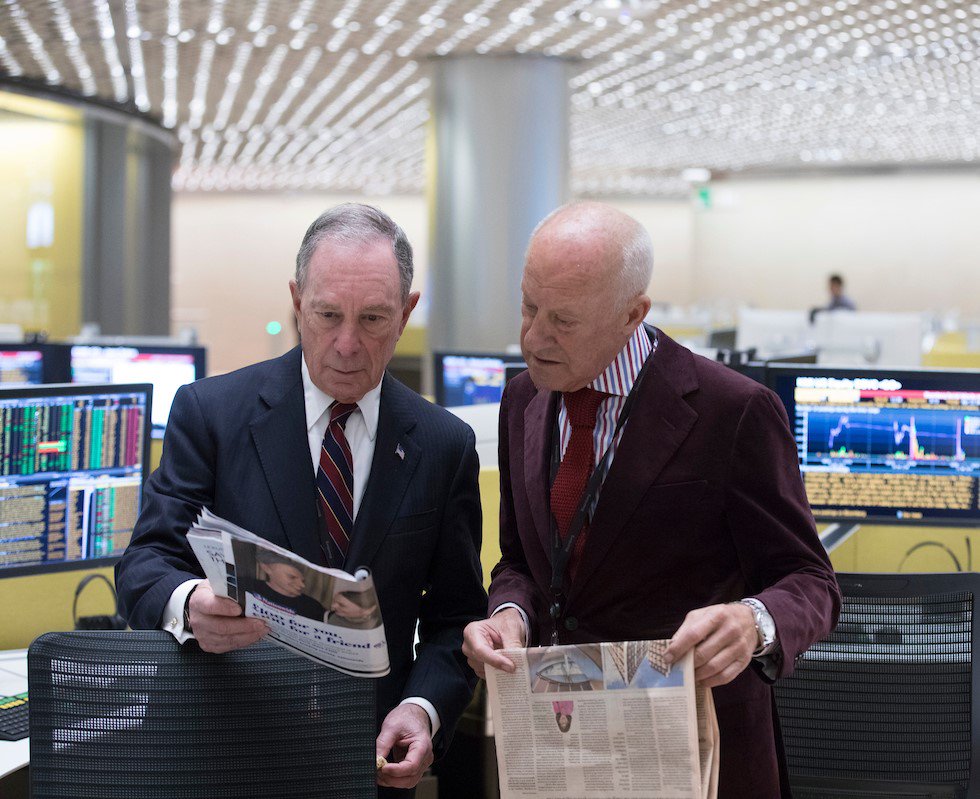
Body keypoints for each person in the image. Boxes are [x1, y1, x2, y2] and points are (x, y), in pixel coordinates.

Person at [462, 201, 841, 797]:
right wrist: (509, 612)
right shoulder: (523, 401)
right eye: (528, 307)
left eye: (563, 320)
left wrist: (754, 621)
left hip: (695, 749)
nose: (533, 338)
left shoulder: (731, 412)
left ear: (631, 315)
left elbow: (811, 581)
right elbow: (521, 562)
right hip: (561, 742)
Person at [116, 202, 487, 797]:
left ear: (407, 313)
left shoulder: (444, 445)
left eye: (372, 319)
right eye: (327, 315)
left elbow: (455, 617)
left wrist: (422, 708)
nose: (346, 343)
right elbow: (144, 564)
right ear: (296, 300)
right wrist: (188, 605)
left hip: (368, 764)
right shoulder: (212, 415)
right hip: (228, 755)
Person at [238, 548, 328, 621]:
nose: (302, 586)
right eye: (292, 577)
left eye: (303, 581)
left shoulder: (313, 607)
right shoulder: (244, 586)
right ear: (267, 568)